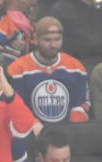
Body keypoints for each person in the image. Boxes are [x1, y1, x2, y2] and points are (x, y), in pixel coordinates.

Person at [7, 17, 92, 145]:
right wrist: (32, 123)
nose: (53, 45)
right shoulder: (17, 70)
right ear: (36, 39)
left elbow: (83, 102)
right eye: (47, 40)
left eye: (57, 40)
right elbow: (13, 106)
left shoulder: (76, 68)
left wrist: (73, 127)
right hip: (31, 137)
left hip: (67, 136)